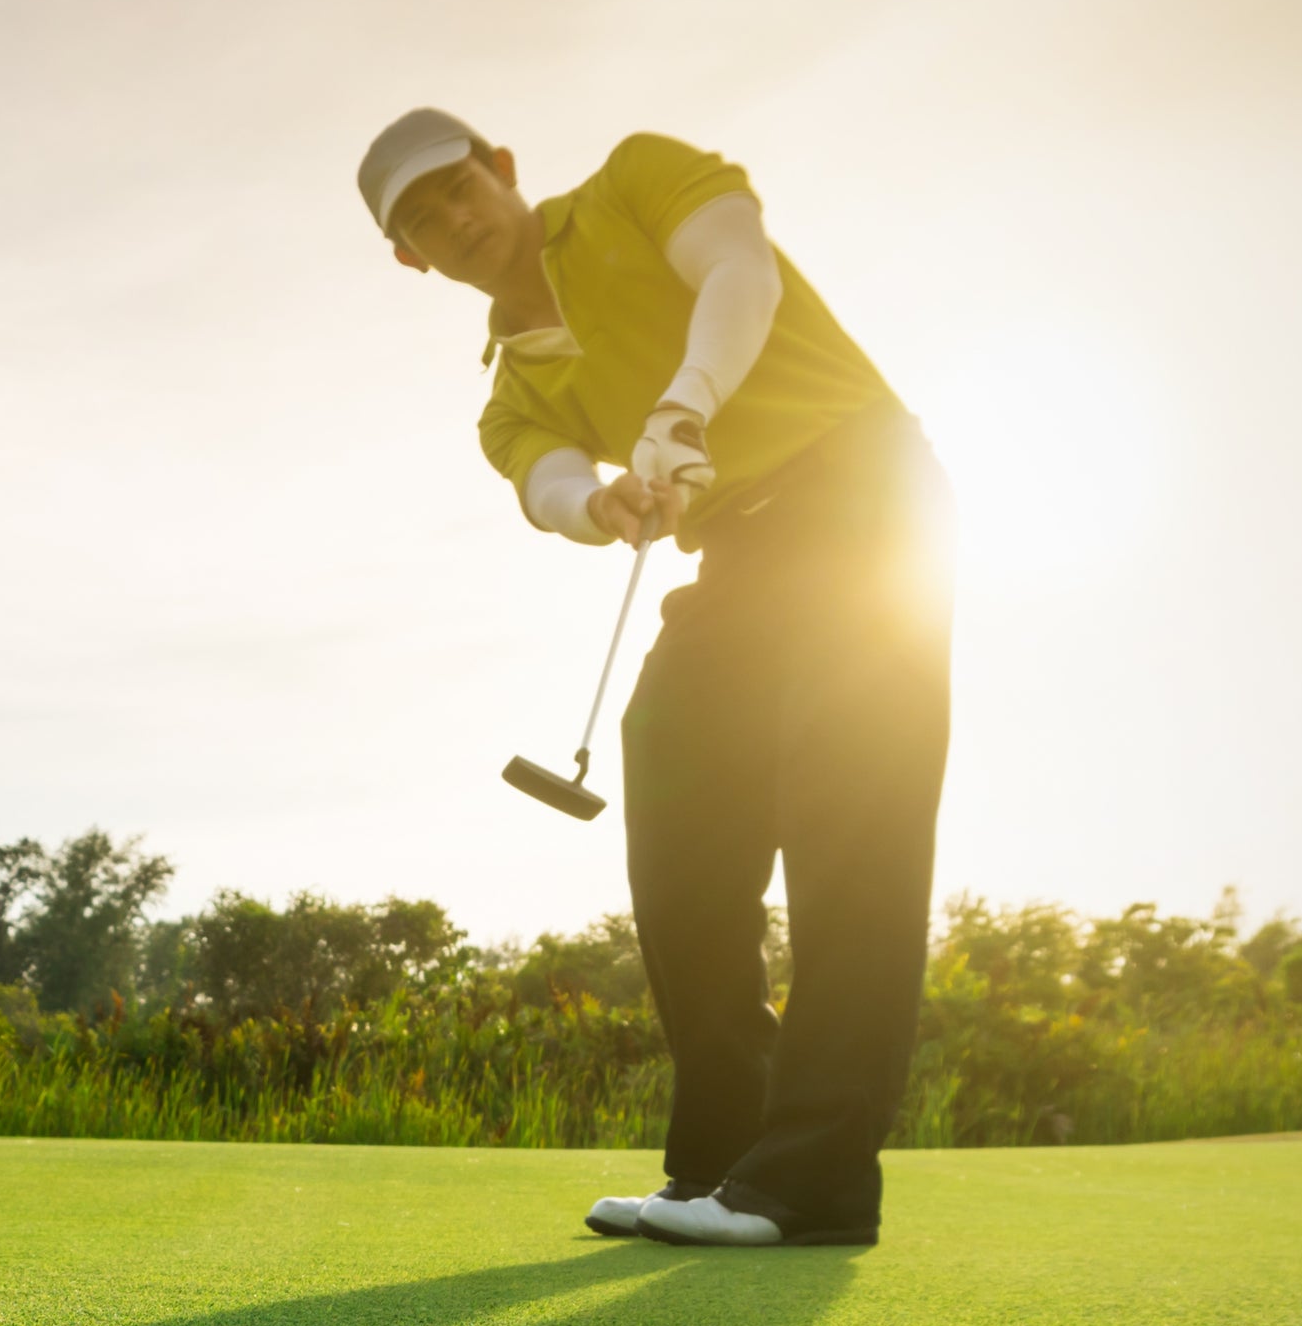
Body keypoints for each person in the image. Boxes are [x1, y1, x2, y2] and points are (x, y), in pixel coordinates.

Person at [355, 109, 952, 1248]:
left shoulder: (636, 177)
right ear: (409, 258)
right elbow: (549, 484)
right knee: (672, 782)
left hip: (866, 495)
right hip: (738, 550)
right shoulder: (510, 395)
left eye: (458, 186)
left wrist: (683, 406)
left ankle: (817, 1180)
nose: (454, 219)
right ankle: (724, 1158)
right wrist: (605, 504)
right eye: (423, 221)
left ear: (503, 169)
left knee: (849, 823)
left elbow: (739, 269)